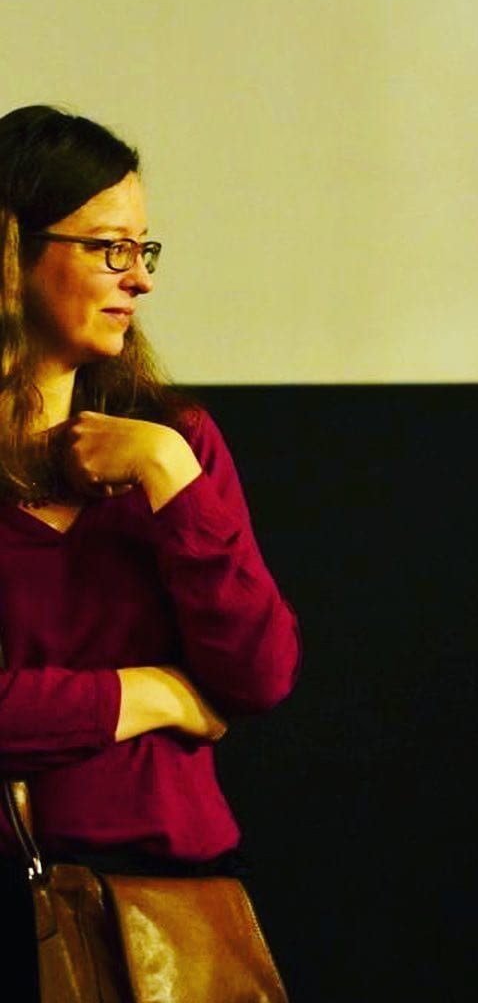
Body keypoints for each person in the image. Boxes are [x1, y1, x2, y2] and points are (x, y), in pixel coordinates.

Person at [0, 104, 301, 995]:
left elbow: (260, 675)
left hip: (163, 915)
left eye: (144, 250)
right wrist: (150, 694)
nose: (139, 279)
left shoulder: (177, 442)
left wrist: (170, 474)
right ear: (12, 254)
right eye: (109, 249)